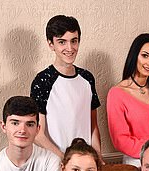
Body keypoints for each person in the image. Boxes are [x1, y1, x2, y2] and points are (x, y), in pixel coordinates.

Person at [31, 15, 102, 159]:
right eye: (62, 42)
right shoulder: (42, 81)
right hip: (55, 162)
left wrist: (97, 156)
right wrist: (65, 160)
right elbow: (38, 134)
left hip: (85, 163)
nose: (69, 48)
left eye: (74, 41)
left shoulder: (87, 78)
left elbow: (93, 126)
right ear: (51, 44)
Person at [107, 33, 149, 167]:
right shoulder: (117, 93)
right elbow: (121, 140)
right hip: (137, 162)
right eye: (145, 55)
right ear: (134, 55)